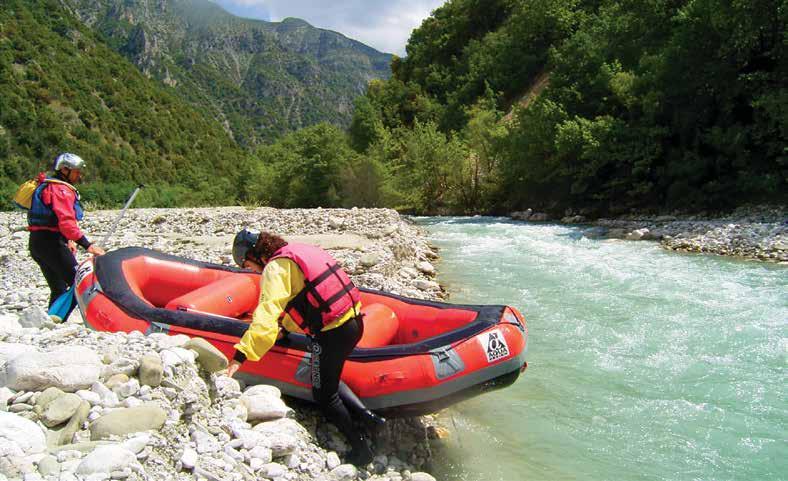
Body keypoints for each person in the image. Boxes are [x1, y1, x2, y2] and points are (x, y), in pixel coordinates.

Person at [226, 229, 375, 466]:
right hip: (354, 323)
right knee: (330, 376)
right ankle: (369, 419)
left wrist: (240, 356)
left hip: (332, 334)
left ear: (256, 256)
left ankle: (361, 449)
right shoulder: (297, 251)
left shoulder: (275, 269)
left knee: (324, 395)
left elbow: (265, 314)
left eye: (247, 264)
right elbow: (306, 297)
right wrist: (286, 328)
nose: (250, 270)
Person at [28, 153, 105, 307]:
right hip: (52, 244)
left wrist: (68, 240)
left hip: (37, 243)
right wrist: (88, 245)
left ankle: (51, 323)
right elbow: (66, 222)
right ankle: (99, 319)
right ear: (64, 170)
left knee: (59, 288)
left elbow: (54, 218)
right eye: (76, 172)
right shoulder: (61, 190)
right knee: (79, 283)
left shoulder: (49, 185)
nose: (79, 175)